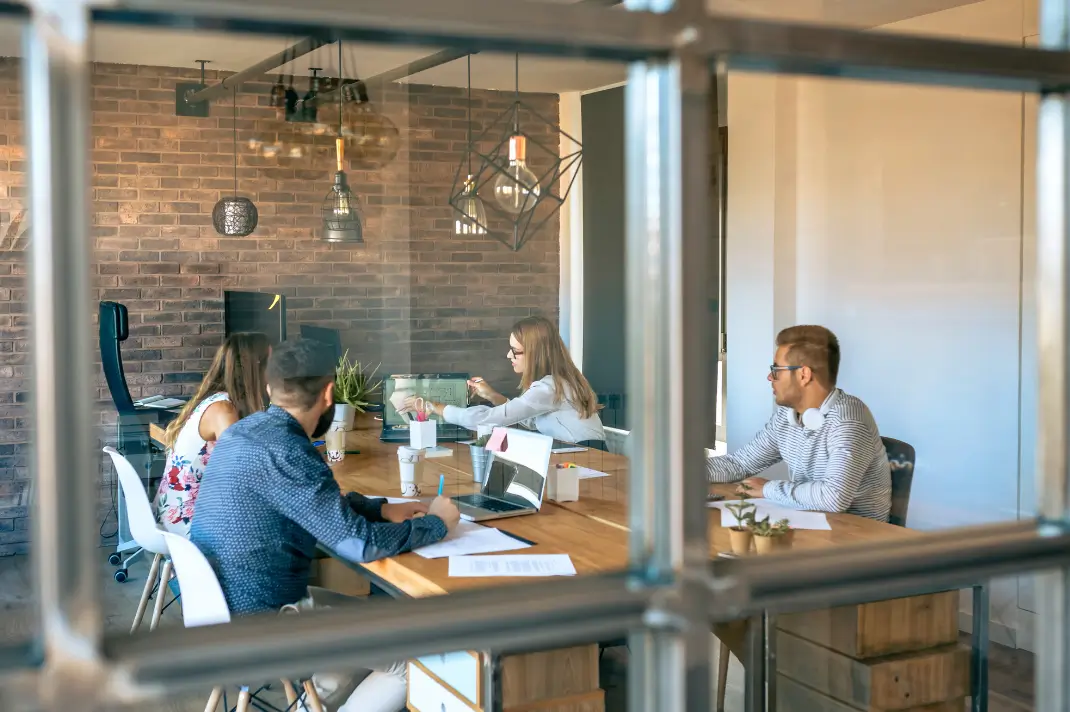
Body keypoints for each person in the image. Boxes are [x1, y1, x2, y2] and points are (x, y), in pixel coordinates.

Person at [190, 338, 459, 712]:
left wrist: (378, 509)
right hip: (268, 618)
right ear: (329, 392)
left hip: (223, 607)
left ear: (269, 387)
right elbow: (358, 545)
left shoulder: (245, 432)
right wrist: (437, 523)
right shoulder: (287, 449)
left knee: (370, 625)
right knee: (419, 655)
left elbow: (304, 501)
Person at [707, 324, 891, 520]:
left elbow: (833, 497)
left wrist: (767, 489)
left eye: (776, 370)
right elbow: (739, 464)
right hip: (811, 523)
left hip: (859, 539)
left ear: (804, 374)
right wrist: (681, 471)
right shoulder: (787, 416)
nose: (770, 377)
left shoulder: (849, 421)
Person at [405, 316, 606, 448]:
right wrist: (494, 396)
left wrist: (436, 407)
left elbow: (488, 419)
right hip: (581, 453)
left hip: (587, 458)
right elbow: (529, 419)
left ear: (536, 354)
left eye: (515, 350)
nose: (509, 355)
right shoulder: (558, 382)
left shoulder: (549, 387)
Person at [153, 332, 271, 536]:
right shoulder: (222, 410)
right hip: (188, 525)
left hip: (176, 515)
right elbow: (242, 472)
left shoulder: (216, 401)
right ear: (257, 368)